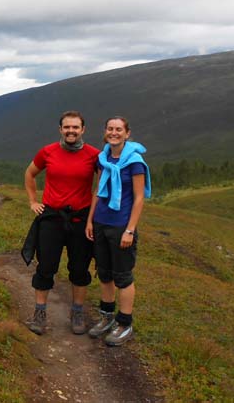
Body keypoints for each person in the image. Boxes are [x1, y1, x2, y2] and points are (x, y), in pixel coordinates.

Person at [23, 110, 100, 335]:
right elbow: (30, 174)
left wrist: (96, 215)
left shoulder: (94, 155)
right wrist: (32, 201)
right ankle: (39, 314)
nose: (71, 131)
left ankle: (77, 313)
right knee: (46, 267)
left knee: (79, 268)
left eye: (75, 127)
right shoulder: (48, 152)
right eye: (67, 127)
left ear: (83, 130)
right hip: (51, 218)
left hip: (81, 219)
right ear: (60, 129)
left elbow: (103, 184)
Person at [85, 116, 151, 346]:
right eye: (110, 129)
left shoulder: (134, 162)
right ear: (105, 132)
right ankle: (106, 318)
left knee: (122, 277)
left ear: (127, 133)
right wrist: (90, 221)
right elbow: (98, 191)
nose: (114, 133)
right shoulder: (103, 159)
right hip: (101, 223)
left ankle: (125, 324)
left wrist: (130, 230)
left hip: (121, 226)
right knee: (104, 273)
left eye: (119, 129)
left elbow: (139, 198)